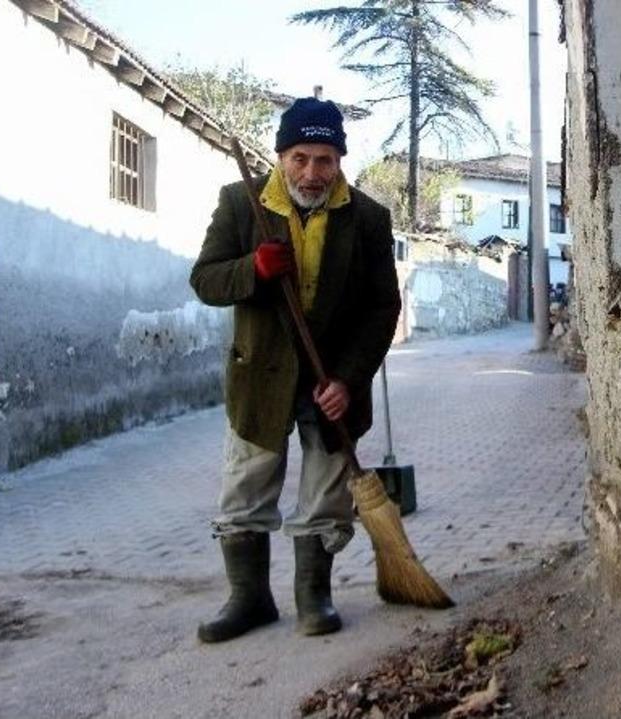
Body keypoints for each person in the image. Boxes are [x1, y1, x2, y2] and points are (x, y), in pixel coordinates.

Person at [190, 97, 401, 643]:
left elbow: (383, 307)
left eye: (325, 159)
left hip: (332, 382)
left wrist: (347, 379)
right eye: (301, 158)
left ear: (340, 161)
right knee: (246, 488)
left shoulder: (370, 219)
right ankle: (250, 599)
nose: (312, 173)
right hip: (260, 378)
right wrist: (252, 270)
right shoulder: (241, 204)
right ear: (282, 156)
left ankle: (314, 595)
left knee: (327, 495)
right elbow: (206, 279)